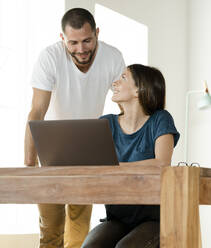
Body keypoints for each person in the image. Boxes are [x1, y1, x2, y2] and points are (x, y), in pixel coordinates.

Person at [24, 8, 125, 248]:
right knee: (50, 231)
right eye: (73, 42)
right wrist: (29, 165)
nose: (81, 49)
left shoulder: (112, 57)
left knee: (79, 232)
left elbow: (126, 106)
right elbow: (37, 111)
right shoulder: (49, 57)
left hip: (88, 152)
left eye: (87, 40)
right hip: (52, 152)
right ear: (63, 39)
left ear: (97, 33)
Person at [81, 64, 179, 248]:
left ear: (139, 89)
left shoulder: (160, 119)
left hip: (154, 220)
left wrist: (114, 166)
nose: (115, 83)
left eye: (123, 78)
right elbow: (93, 166)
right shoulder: (106, 124)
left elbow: (162, 164)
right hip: (117, 218)